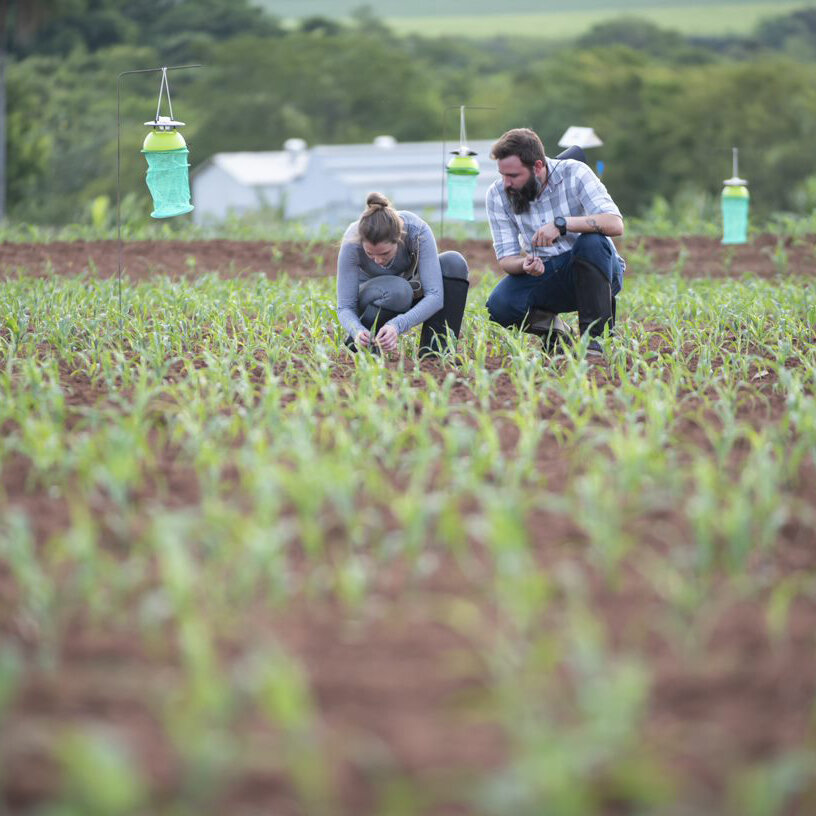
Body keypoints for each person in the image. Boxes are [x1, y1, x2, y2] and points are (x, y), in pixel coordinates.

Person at [484, 128, 625, 355]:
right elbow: (506, 259)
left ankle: (595, 342)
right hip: (547, 273)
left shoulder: (575, 173)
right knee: (500, 305)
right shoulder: (497, 195)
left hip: (597, 269)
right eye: (502, 175)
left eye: (513, 176)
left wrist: (562, 224)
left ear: (538, 166)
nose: (506, 183)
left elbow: (615, 224)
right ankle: (558, 332)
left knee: (591, 242)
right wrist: (524, 265)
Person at [336, 192, 469, 357]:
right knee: (398, 290)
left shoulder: (416, 231)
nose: (377, 260)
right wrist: (357, 331)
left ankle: (435, 353)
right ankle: (365, 343)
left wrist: (396, 325)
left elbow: (435, 295)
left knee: (454, 263)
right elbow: (345, 306)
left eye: (385, 253)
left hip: (410, 289)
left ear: (399, 238)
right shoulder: (352, 241)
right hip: (373, 297)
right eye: (370, 254)